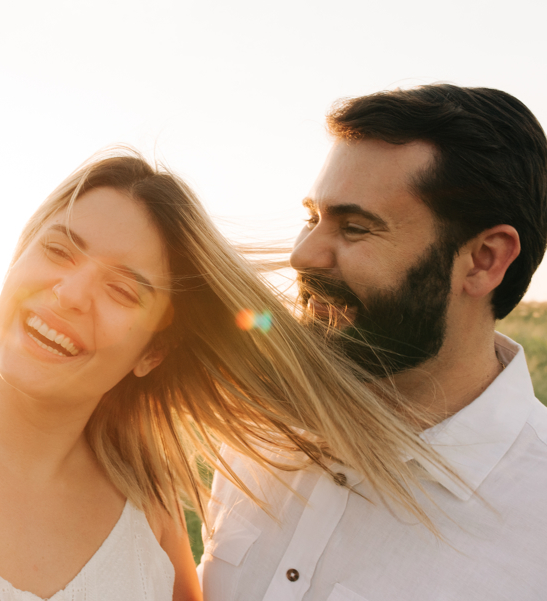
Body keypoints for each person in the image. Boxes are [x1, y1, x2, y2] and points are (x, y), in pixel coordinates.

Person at [0, 150, 446, 601]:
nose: (69, 294)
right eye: (59, 251)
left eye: (124, 290)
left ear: (152, 352)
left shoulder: (151, 512)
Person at [199, 84, 547, 600]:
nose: (302, 255)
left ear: (484, 259)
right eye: (312, 218)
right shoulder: (264, 435)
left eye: (355, 227)